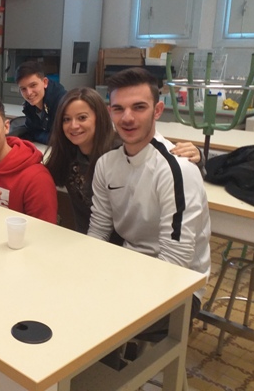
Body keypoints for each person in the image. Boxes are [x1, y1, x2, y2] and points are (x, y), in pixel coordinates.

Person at [87, 68, 211, 337]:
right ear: (109, 112)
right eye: (118, 109)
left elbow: (175, 262)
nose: (127, 118)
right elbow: (98, 230)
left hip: (179, 287)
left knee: (92, 319)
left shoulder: (177, 169)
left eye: (139, 107)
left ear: (157, 111)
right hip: (127, 268)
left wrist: (112, 294)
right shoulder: (107, 164)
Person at [45, 87, 202, 234]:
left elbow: (164, 162)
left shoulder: (122, 150)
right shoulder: (66, 153)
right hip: (89, 238)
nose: (73, 125)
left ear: (99, 117)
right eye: (66, 119)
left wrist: (198, 156)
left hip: (128, 243)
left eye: (82, 118)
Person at [10, 61, 66, 144]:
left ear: (45, 82)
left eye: (33, 85)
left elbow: (61, 138)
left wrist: (36, 135)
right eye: (23, 89)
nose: (29, 93)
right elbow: (31, 130)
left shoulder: (62, 102)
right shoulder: (29, 105)